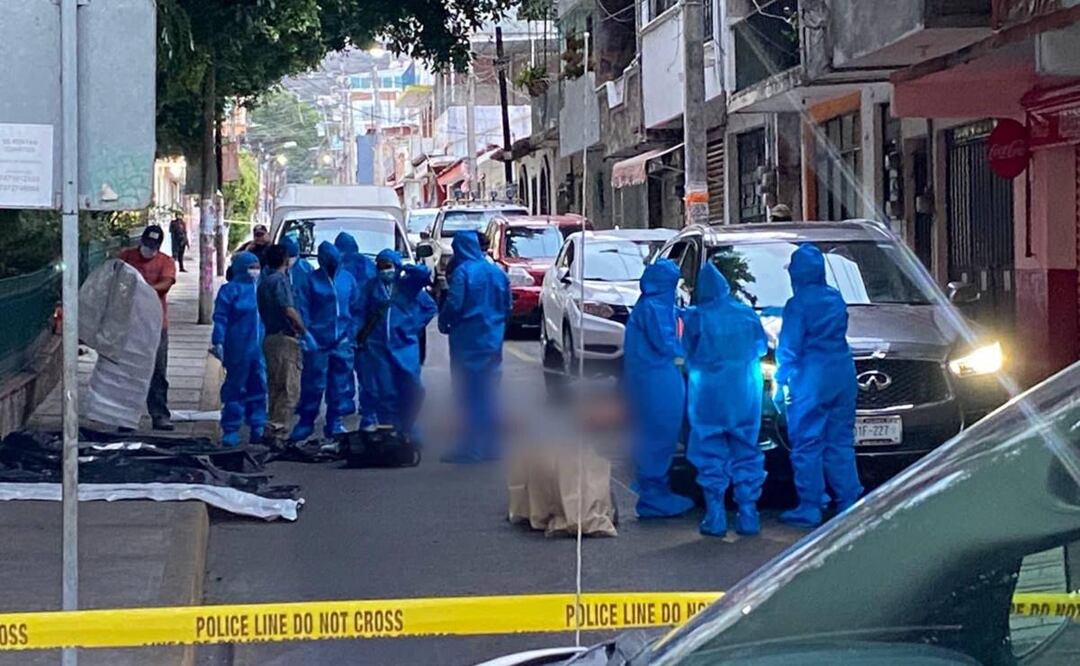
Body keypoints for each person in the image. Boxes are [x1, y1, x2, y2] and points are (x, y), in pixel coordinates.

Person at [774, 244, 862, 528]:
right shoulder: (835, 298)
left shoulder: (797, 305)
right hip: (842, 373)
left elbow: (789, 346)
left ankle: (811, 504)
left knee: (808, 442)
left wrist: (780, 380)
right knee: (840, 441)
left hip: (812, 378)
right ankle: (847, 499)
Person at [683, 263, 768, 536]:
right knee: (746, 448)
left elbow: (687, 351)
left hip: (708, 392)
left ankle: (716, 514)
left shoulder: (696, 317)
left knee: (709, 450)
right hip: (743, 391)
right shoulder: (745, 314)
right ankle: (748, 514)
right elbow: (761, 347)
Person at [623, 259, 694, 519]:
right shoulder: (654, 308)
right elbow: (666, 343)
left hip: (649, 380)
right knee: (659, 434)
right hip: (656, 382)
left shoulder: (652, 305)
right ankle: (654, 495)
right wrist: (689, 357)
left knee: (655, 434)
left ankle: (654, 489)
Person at [437, 231, 510, 463]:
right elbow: (508, 305)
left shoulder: (463, 273)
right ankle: (491, 446)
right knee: (488, 393)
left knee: (468, 394)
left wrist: (444, 320)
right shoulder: (497, 273)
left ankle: (471, 447)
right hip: (492, 340)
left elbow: (455, 303)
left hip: (468, 341)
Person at [358, 254, 437, 437]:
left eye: (387, 266)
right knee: (386, 390)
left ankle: (408, 424)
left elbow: (425, 276)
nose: (383, 270)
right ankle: (391, 428)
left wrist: (411, 325)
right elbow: (359, 312)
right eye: (380, 266)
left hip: (404, 345)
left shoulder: (406, 286)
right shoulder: (371, 287)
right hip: (378, 346)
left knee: (413, 386)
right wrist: (358, 338)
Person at [291, 241, 358, 441]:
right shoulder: (311, 281)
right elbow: (303, 308)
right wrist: (306, 334)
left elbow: (356, 308)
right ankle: (306, 422)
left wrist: (351, 334)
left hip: (341, 342)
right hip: (317, 342)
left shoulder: (347, 279)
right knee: (313, 384)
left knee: (339, 385)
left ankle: (335, 421)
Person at [118, 225, 177, 431]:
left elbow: (167, 283)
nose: (148, 250)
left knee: (158, 372)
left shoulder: (165, 262)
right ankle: (125, 417)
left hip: (155, 325)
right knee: (128, 372)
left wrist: (143, 290)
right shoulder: (127, 257)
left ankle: (160, 414)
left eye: (153, 246)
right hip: (129, 325)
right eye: (146, 245)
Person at [211, 253, 268, 446]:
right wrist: (218, 340)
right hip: (238, 348)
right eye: (251, 266)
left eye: (257, 266)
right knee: (235, 388)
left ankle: (258, 426)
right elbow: (220, 317)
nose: (255, 270)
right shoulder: (230, 290)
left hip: (260, 349)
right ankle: (231, 429)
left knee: (260, 386)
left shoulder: (262, 288)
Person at [257, 244, 312, 444]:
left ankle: (271, 428)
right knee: (289, 389)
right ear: (285, 260)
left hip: (270, 337)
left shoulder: (264, 282)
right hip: (284, 339)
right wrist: (304, 331)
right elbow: (288, 309)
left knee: (275, 387)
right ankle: (278, 432)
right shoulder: (279, 281)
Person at [333, 232, 378, 429]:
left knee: (348, 367)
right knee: (360, 368)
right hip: (361, 324)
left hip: (352, 323)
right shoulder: (366, 265)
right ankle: (363, 408)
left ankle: (348, 403)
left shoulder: (343, 270)